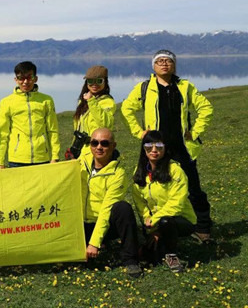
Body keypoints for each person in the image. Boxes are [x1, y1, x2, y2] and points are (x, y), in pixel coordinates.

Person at [121, 49, 214, 243]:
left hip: (181, 147)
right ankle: (155, 226)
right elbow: (126, 108)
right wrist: (139, 132)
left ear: (174, 65)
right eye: (160, 61)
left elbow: (205, 108)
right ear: (153, 66)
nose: (164, 64)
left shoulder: (185, 86)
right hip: (155, 148)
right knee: (151, 186)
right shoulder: (144, 88)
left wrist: (195, 132)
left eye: (168, 61)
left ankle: (202, 228)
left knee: (193, 188)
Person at [79, 128, 142, 278]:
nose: (99, 147)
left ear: (113, 146)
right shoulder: (81, 162)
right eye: (94, 143)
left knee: (123, 208)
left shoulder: (118, 174)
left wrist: (94, 243)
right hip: (80, 224)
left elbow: (106, 210)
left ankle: (130, 259)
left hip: (104, 223)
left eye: (105, 143)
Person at [132, 131, 197, 272]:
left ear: (165, 148)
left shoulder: (175, 170)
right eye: (149, 146)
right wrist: (148, 220)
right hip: (153, 222)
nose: (154, 150)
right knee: (151, 256)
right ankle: (155, 245)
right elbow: (139, 202)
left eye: (159, 146)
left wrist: (155, 221)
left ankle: (172, 255)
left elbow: (176, 203)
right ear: (143, 149)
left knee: (166, 222)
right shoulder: (139, 171)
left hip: (180, 219)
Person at [0, 61, 60, 168]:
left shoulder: (47, 100)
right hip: (17, 159)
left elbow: (52, 130)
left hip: (41, 158)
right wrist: (0, 162)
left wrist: (55, 156)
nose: (25, 82)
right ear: (16, 80)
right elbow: (2, 134)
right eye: (21, 78)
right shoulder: (6, 102)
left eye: (29, 77)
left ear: (36, 78)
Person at [65, 66, 116, 160]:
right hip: (81, 149)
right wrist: (73, 148)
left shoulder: (108, 102)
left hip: (98, 149)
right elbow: (79, 128)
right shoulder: (83, 102)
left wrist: (91, 101)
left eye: (99, 81)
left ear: (105, 82)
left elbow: (105, 124)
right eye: (90, 81)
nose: (94, 84)